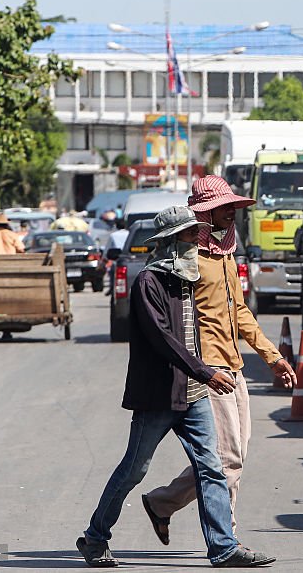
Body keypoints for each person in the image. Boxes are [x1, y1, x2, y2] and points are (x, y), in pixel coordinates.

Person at [76, 205, 275, 568]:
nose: (195, 242)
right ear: (170, 242)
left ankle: (223, 548)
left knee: (211, 467)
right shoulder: (148, 282)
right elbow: (163, 339)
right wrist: (205, 371)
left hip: (193, 393)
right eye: (188, 236)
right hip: (158, 395)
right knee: (134, 469)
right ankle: (94, 538)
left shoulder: (188, 279)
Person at [143, 176, 297, 544]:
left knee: (233, 455)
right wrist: (198, 368)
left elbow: (239, 311)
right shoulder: (187, 259)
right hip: (207, 370)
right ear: (206, 213)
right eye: (226, 207)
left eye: (233, 207)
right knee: (227, 459)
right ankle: (226, 539)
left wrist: (273, 357)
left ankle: (162, 503)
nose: (233, 213)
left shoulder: (226, 255)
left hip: (234, 366)